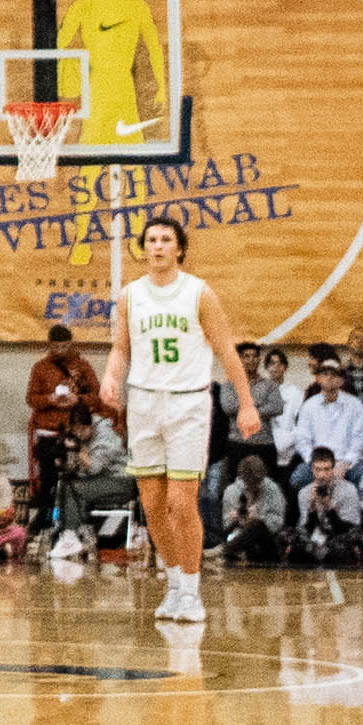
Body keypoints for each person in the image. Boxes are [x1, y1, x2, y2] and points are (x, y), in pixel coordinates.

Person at [114, 214, 244, 621]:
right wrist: (110, 377)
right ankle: (172, 585)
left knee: (181, 502)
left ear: (179, 248)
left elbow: (225, 348)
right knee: (152, 503)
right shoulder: (130, 295)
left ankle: (191, 589)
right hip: (144, 402)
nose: (157, 246)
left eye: (165, 239)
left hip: (188, 402)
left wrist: (248, 402)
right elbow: (121, 348)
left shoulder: (199, 293)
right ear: (143, 248)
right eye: (151, 239)